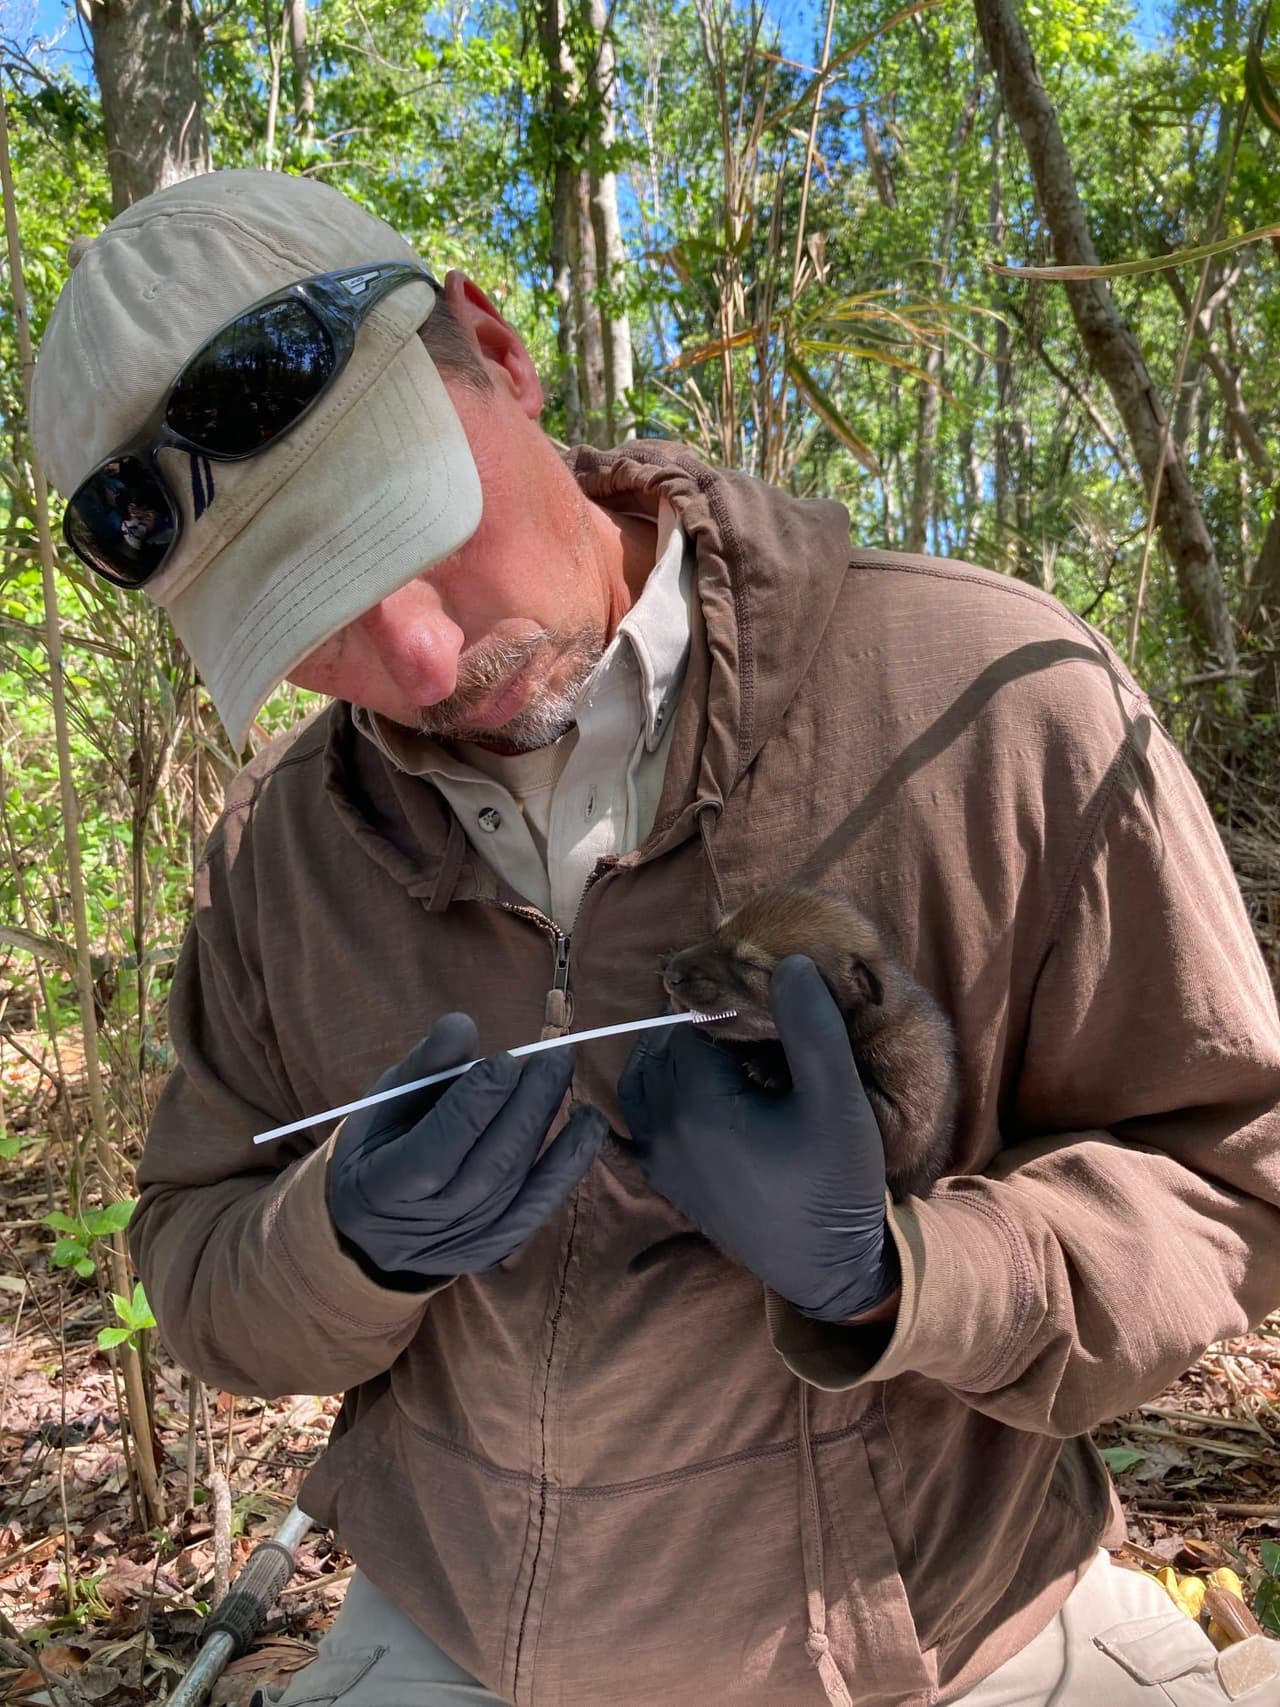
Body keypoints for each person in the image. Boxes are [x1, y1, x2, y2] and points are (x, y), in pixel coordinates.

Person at [30, 169, 1280, 1707]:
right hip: (459, 1642)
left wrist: (900, 1279)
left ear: (495, 345)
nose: (418, 655)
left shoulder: (999, 699)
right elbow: (196, 1258)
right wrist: (341, 1241)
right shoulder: (284, 854)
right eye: (312, 619)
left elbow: (1229, 1173)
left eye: (406, 528)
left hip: (964, 1648)